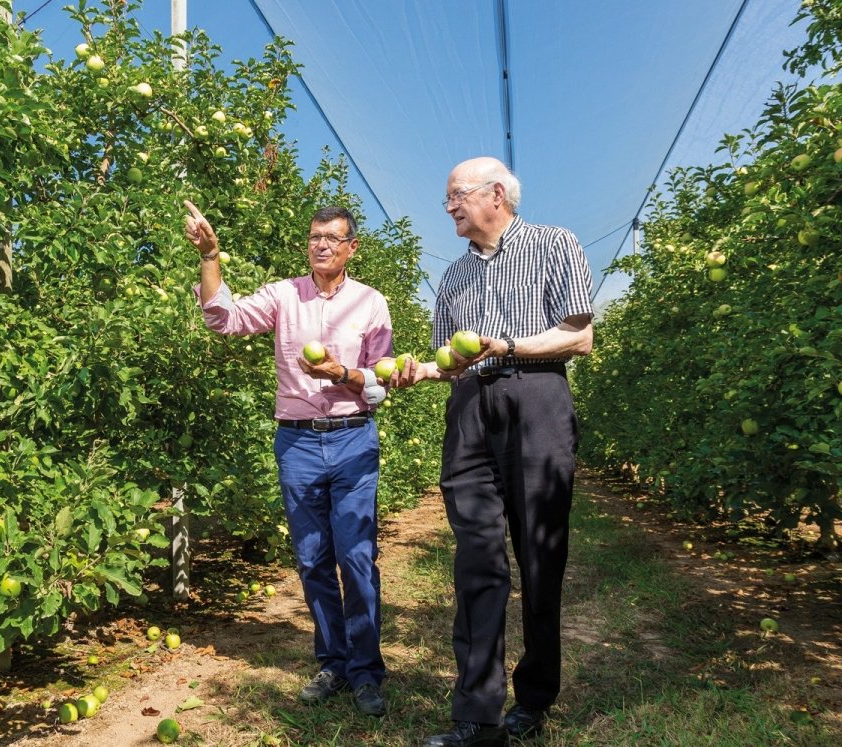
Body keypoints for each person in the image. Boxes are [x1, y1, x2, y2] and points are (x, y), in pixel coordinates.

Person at [392, 157, 593, 746]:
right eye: (448, 198)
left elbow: (579, 335)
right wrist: (415, 370)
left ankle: (534, 696)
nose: (449, 206)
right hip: (468, 412)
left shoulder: (554, 244)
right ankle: (478, 716)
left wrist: (508, 344)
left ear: (496, 194)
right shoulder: (452, 278)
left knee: (539, 554)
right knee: (476, 558)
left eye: (456, 194)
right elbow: (449, 361)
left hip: (537, 397)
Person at [183, 199, 393, 717]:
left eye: (332, 238)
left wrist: (343, 375)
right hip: (297, 442)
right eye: (314, 236)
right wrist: (211, 257)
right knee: (312, 557)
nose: (321, 244)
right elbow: (223, 319)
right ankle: (333, 662)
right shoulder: (283, 295)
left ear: (351, 248)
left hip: (351, 438)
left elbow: (382, 383)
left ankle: (367, 671)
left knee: (356, 556)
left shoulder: (371, 303)